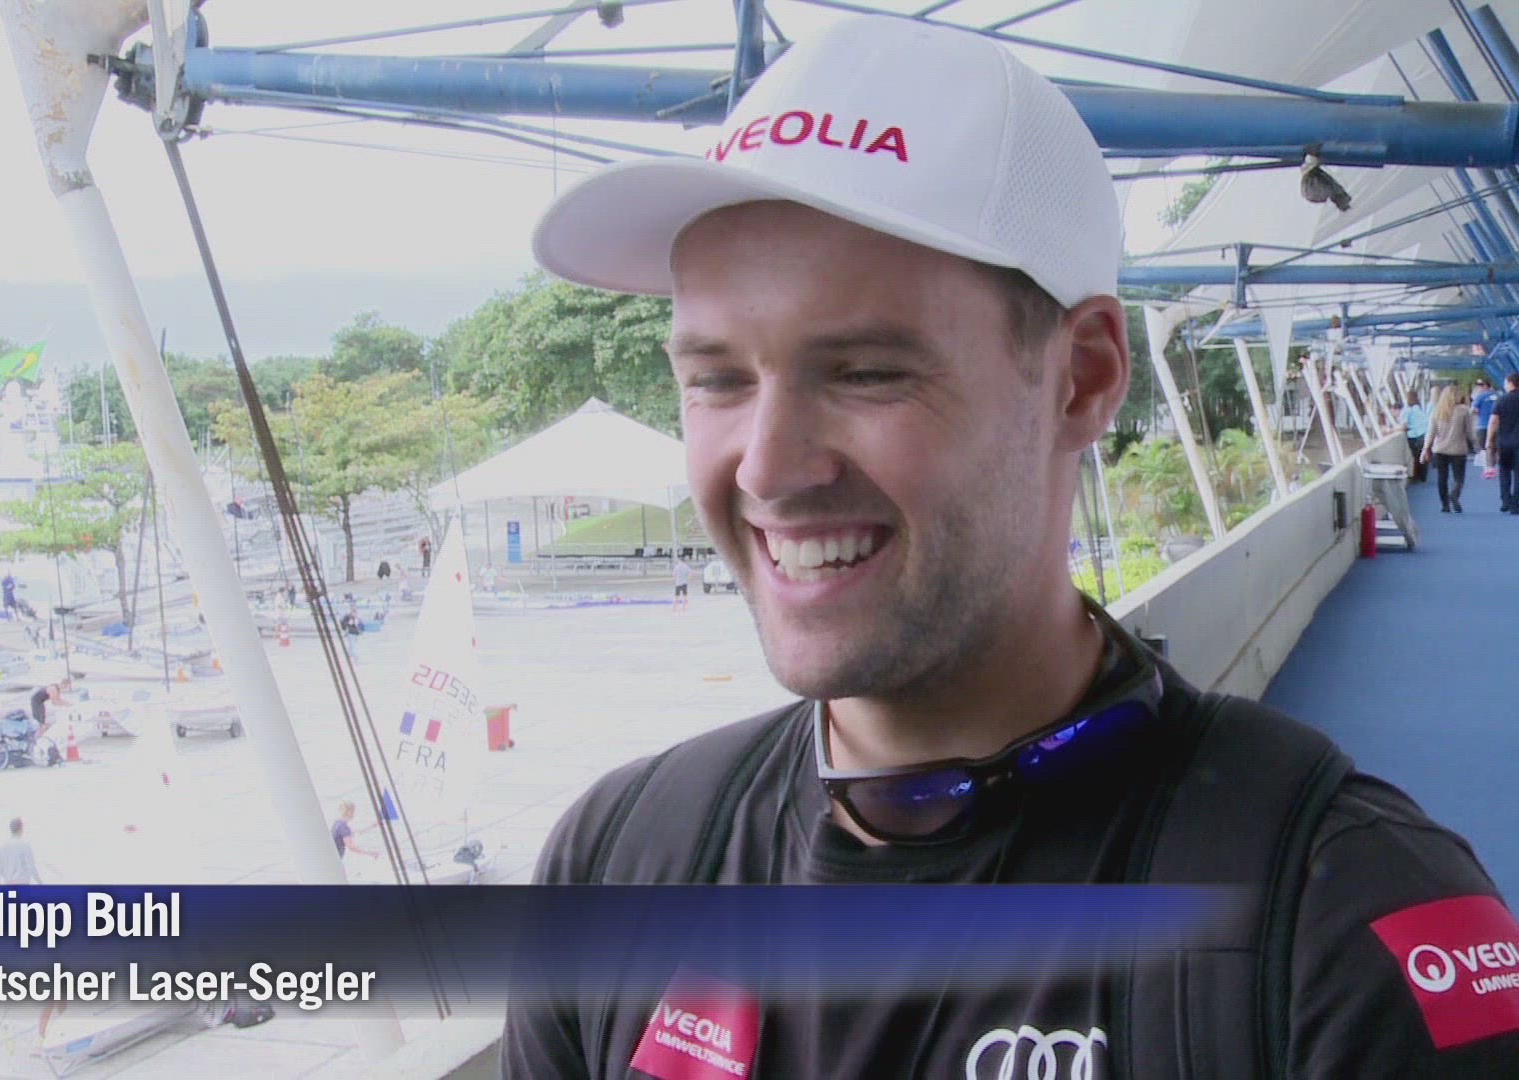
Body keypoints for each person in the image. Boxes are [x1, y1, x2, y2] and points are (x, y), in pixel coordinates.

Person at [502, 17, 1519, 1077]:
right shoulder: (617, 864)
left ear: (1084, 377)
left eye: (865, 372)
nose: (767, 466)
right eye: (716, 379)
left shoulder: (1344, 934)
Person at [1422, 384, 1475, 513]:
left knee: (1442, 478)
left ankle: (1445, 505)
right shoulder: (1464, 410)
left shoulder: (1437, 411)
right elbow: (1470, 432)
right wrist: (1477, 445)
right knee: (1459, 477)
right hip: (1458, 449)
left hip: (1439, 450)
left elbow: (1430, 432)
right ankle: (1454, 494)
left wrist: (1426, 448)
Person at [1487, 372, 1519, 513]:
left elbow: (1493, 421)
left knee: (1505, 472)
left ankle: (1506, 501)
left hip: (1504, 442)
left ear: (1511, 383)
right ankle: (1516, 504)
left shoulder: (1502, 400)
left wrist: (1489, 440)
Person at [0, 816, 42, 885]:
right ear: (21, 829)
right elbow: (31, 867)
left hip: (9, 884)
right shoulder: (25, 846)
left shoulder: (2, 847)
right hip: (23, 884)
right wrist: (40, 883)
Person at [1400, 395, 1429, 483]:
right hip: (1423, 433)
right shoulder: (1419, 409)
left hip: (1413, 435)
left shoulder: (1407, 410)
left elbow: (1404, 426)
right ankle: (1423, 476)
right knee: (1421, 455)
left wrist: (1390, 430)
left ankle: (1416, 476)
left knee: (1415, 456)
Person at [1472, 376, 1498, 449]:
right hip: (1496, 426)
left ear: (1486, 385)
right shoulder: (1498, 395)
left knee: (1485, 448)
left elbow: (1473, 410)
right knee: (1495, 448)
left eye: (1480, 385)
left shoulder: (1480, 396)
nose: (1478, 387)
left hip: (1483, 425)